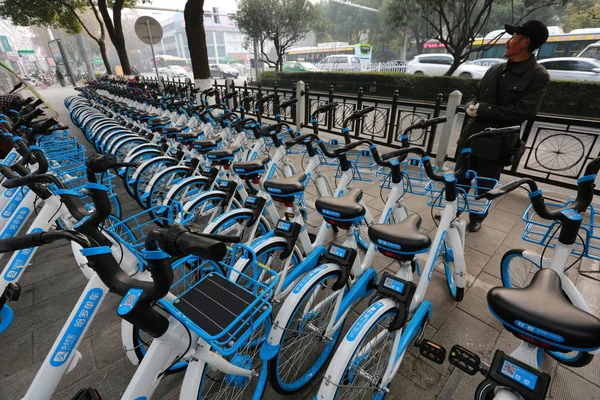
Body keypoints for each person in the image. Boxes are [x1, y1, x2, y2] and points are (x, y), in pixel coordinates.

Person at [457, 19, 550, 232]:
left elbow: (523, 111)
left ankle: (477, 217)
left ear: (525, 42)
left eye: (513, 38)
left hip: (496, 144)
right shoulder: (495, 69)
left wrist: (483, 109)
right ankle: (453, 210)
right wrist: (471, 105)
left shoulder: (537, 75)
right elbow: (476, 95)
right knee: (459, 179)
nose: (508, 42)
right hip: (471, 138)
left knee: (485, 186)